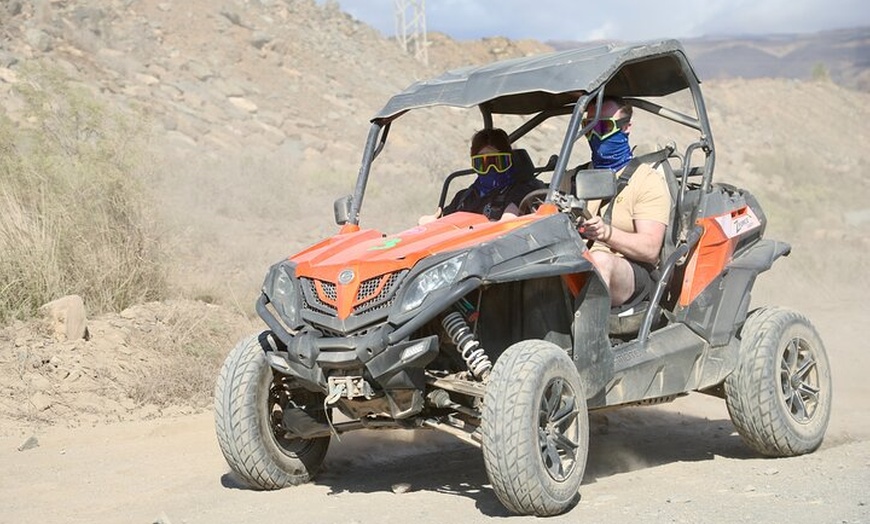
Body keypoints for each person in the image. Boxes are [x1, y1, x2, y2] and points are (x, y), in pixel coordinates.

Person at [578, 96, 671, 307]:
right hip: (578, 263)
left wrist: (607, 234)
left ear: (626, 127)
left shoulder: (646, 179)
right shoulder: (577, 177)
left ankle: (590, 338)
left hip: (631, 271)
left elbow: (650, 249)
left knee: (599, 263)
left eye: (603, 126)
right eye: (588, 125)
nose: (594, 133)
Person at [419, 128, 544, 224]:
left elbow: (507, 223)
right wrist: (429, 223)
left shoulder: (521, 190)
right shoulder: (463, 197)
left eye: (497, 162)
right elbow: (442, 223)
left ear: (509, 161)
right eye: (482, 164)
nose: (491, 170)